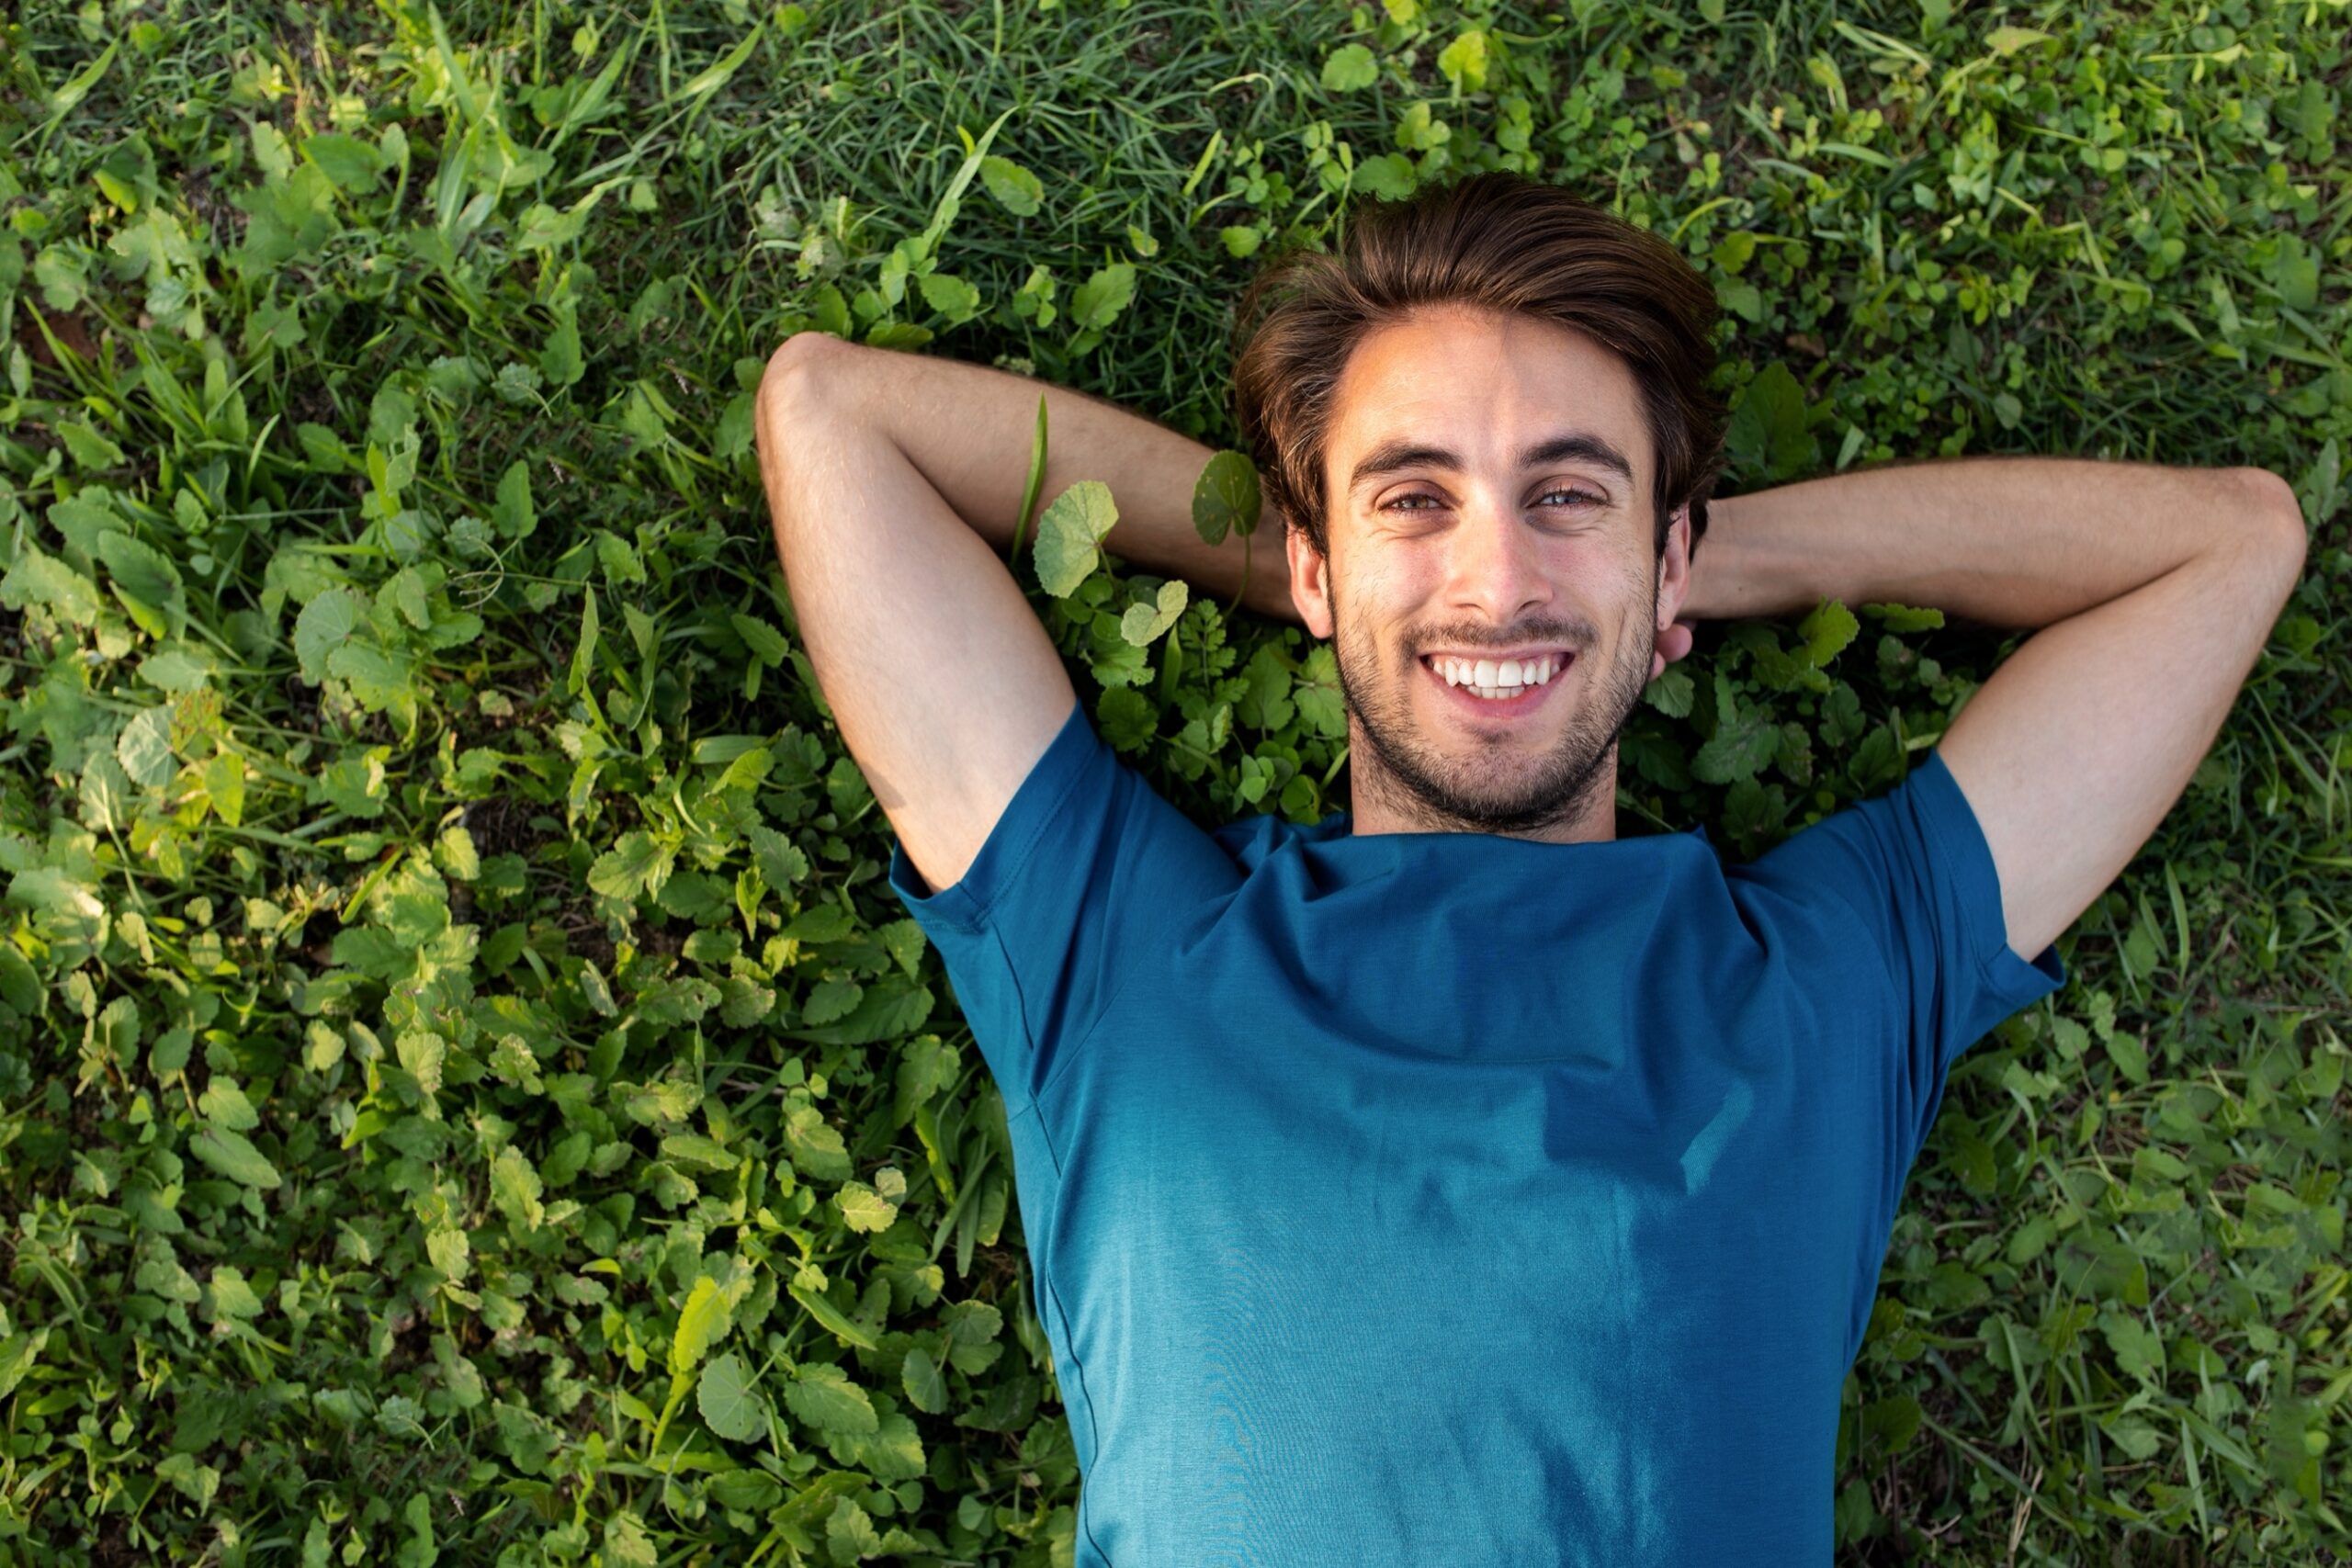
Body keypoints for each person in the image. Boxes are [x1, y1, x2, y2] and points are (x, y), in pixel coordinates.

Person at [752, 170, 2306, 1564]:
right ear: (1309, 560)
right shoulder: (1121, 948)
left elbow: (2229, 546)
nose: (1498, 578)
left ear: (1669, 552)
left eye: (1568, 495)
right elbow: (833, 417)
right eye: (1412, 499)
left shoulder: (1828, 982)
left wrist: (1642, 579)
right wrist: (1374, 584)